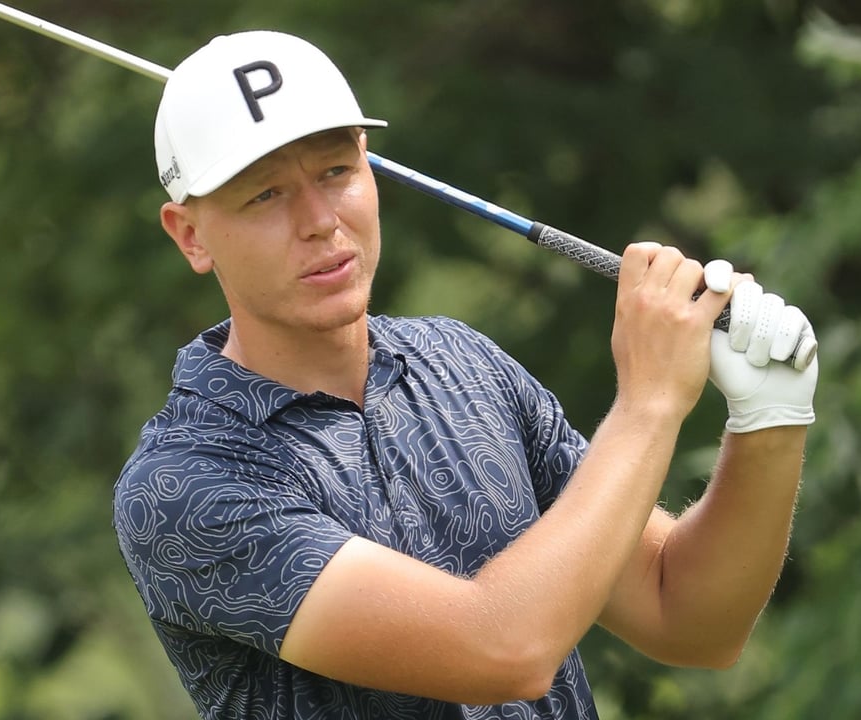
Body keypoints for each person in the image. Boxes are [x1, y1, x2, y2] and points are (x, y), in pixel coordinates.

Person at [112, 29, 818, 720]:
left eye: (335, 171)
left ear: (369, 163)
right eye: (264, 195)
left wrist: (769, 425)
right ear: (191, 235)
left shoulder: (462, 364)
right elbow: (504, 650)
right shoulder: (185, 485)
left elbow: (687, 618)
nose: (320, 220)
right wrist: (650, 402)